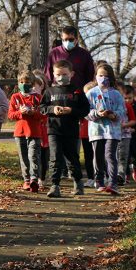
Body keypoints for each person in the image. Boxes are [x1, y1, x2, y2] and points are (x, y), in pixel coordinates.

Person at [40, 59, 88, 197]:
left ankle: (78, 182)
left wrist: (70, 110)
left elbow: (85, 109)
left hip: (71, 130)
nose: (61, 77)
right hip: (54, 130)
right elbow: (42, 107)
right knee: (55, 157)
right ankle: (54, 185)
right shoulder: (49, 91)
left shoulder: (77, 91)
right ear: (54, 74)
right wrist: (53, 109)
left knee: (72, 157)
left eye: (64, 74)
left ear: (71, 74)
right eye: (58, 74)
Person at [86, 62, 125, 195]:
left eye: (106, 76)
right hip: (96, 131)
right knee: (98, 156)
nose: (103, 78)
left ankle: (113, 183)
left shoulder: (116, 94)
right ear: (96, 76)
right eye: (100, 75)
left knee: (110, 155)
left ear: (111, 78)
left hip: (112, 131)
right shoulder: (91, 93)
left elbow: (122, 110)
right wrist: (97, 113)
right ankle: (99, 181)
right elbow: (86, 112)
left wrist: (115, 115)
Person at [8, 71, 46, 192]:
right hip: (20, 133)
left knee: (33, 156)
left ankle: (34, 179)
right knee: (23, 158)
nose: (24, 84)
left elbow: (44, 115)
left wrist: (33, 113)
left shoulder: (38, 97)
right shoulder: (15, 97)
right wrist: (20, 113)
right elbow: (10, 115)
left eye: (27, 82)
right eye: (21, 82)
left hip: (34, 132)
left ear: (33, 84)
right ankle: (26, 180)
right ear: (18, 83)